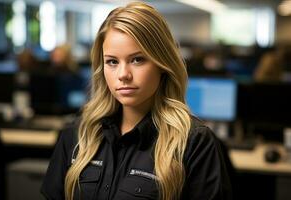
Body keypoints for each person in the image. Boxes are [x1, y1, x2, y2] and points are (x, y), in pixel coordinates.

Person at [41, 2, 232, 200]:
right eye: (112, 62)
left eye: (137, 60)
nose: (123, 74)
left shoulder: (193, 143)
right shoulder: (77, 133)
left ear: (162, 64)